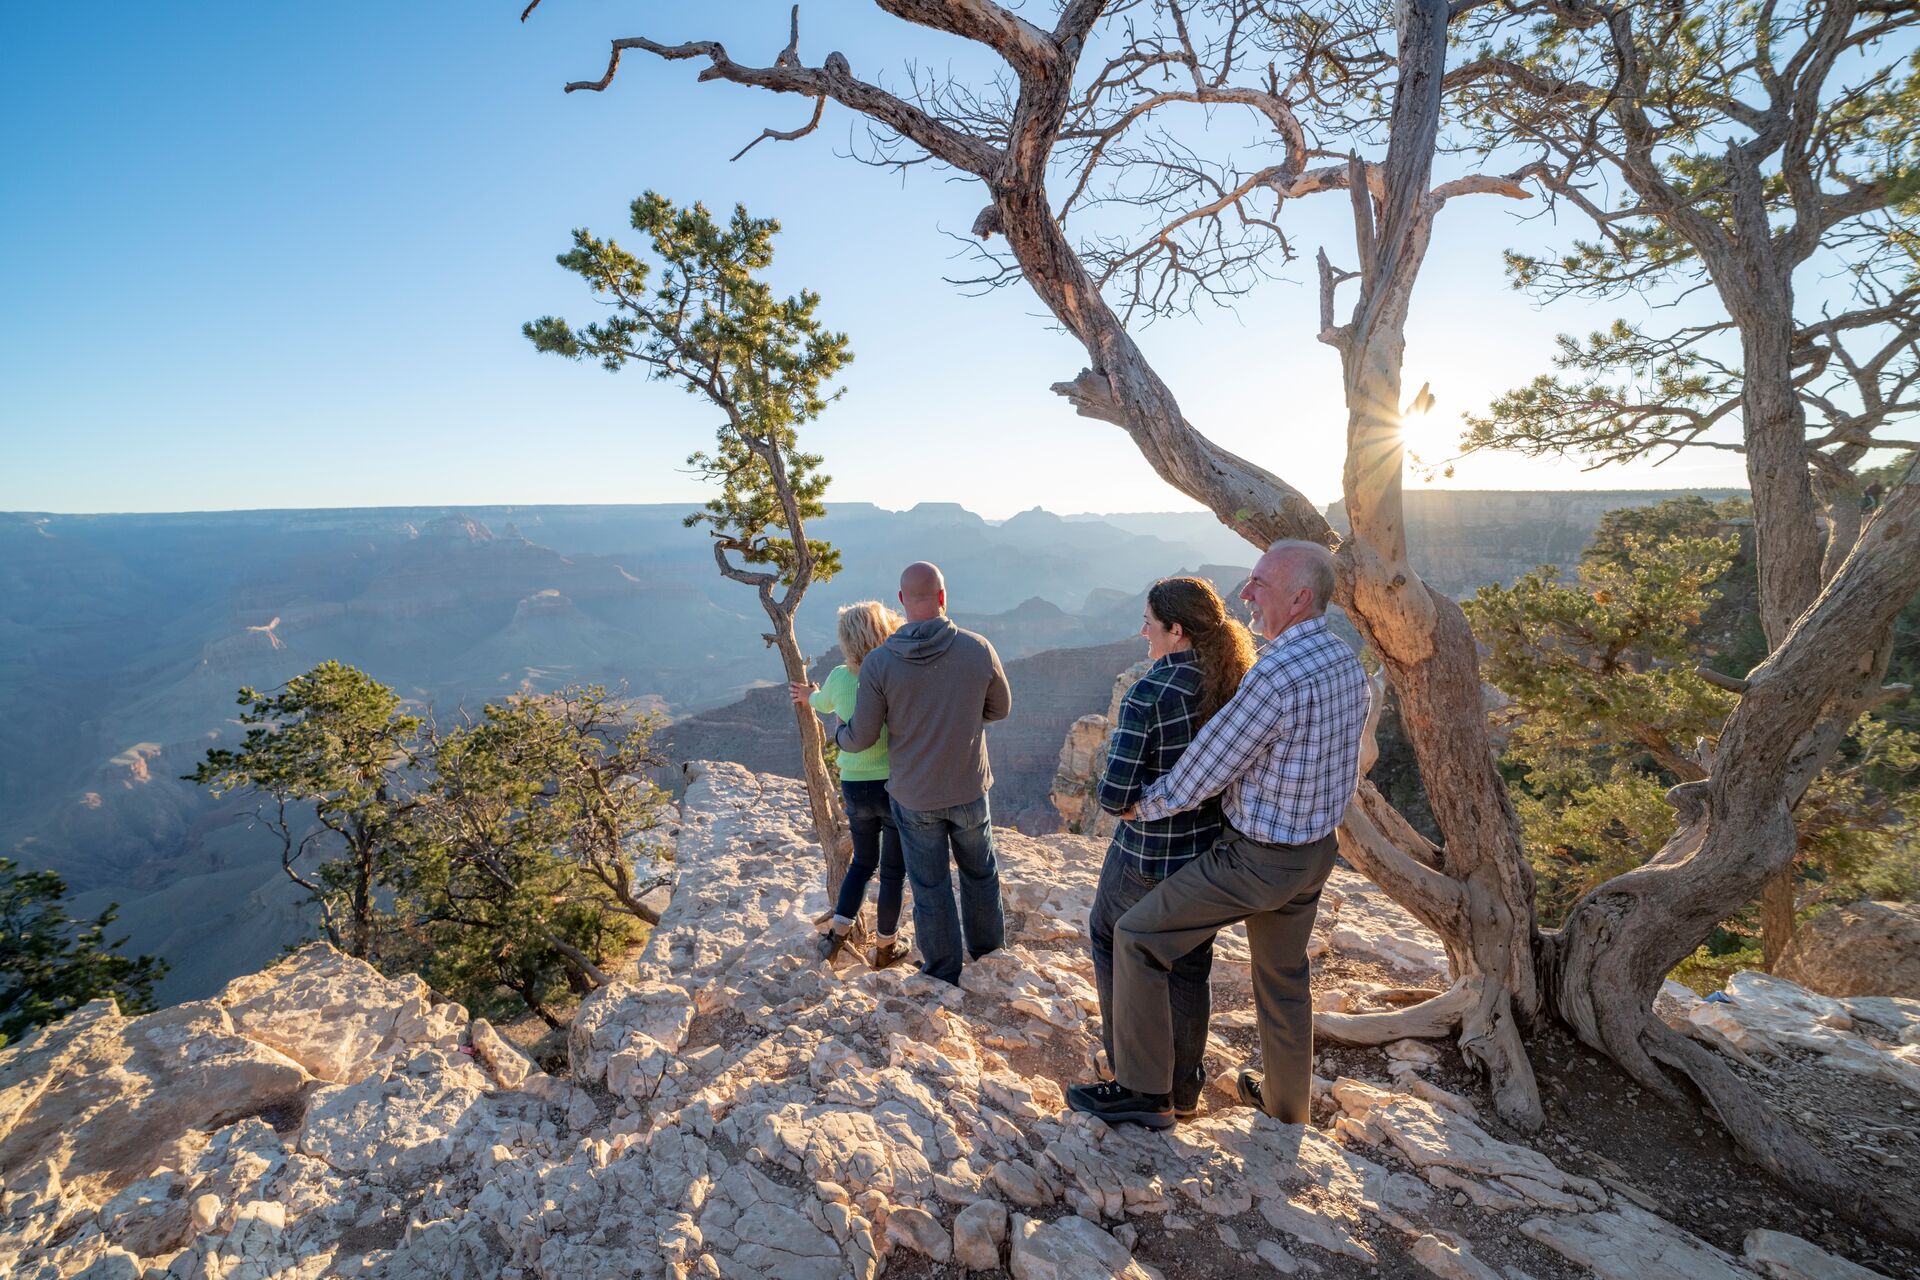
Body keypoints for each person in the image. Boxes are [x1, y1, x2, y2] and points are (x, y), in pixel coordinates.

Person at [1067, 540, 1370, 1130]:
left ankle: (1143, 1091)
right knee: (1284, 979)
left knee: (1135, 937)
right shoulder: (1342, 659)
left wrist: (1138, 808)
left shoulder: (1276, 674)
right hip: (1314, 854)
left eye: (1259, 583)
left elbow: (1202, 772)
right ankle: (1287, 1105)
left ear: (1300, 596)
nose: (1246, 593)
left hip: (1254, 860)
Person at [1086, 576, 1256, 1120]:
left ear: (1175, 630)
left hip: (1146, 855)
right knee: (1187, 967)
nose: (1142, 632)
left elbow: (1115, 795)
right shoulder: (1234, 683)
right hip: (1205, 856)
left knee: (1111, 939)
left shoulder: (1150, 691)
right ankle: (1184, 1090)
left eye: (1149, 622)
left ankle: (1131, 1072)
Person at [831, 562, 1012, 985]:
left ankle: (942, 971)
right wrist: (961, 719)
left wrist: (838, 736)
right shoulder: (977, 648)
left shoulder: (878, 664)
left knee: (930, 887)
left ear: (902, 602)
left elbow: (862, 736)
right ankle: (988, 956)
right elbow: (1000, 708)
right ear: (943, 597)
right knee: (980, 873)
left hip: (913, 797)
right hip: (968, 787)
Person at [790, 601, 910, 970]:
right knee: (892, 871)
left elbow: (823, 704)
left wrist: (806, 694)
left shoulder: (840, 677)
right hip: (895, 785)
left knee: (862, 863)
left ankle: (837, 937)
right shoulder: (897, 672)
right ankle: (886, 948)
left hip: (856, 786)